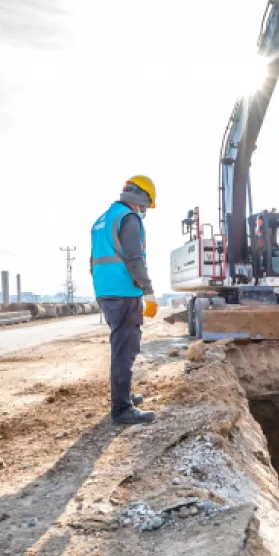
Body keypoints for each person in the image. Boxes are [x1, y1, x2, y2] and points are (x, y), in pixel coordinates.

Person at [90, 175, 160, 425]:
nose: (145, 210)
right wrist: (148, 291)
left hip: (106, 292)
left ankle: (124, 395)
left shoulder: (103, 219)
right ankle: (121, 408)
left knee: (121, 346)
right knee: (125, 349)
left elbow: (94, 261)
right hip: (124, 292)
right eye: (146, 204)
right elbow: (134, 259)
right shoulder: (128, 219)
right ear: (140, 196)